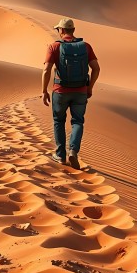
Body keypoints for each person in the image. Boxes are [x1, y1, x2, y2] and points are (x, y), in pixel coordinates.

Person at [42, 18, 100, 169]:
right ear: (73, 30)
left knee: (58, 121)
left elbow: (46, 70)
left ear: (61, 30)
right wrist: (90, 87)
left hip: (60, 91)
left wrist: (44, 91)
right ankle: (73, 151)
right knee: (78, 121)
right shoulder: (85, 47)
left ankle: (60, 155)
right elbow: (96, 68)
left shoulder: (54, 47)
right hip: (80, 91)